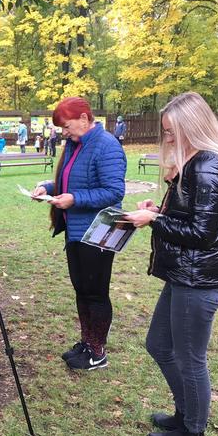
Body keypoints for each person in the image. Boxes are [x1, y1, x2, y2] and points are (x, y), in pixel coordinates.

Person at [123, 92, 218, 436]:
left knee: (190, 358)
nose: (168, 139)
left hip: (197, 281)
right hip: (184, 276)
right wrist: (159, 210)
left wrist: (155, 220)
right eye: (166, 132)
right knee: (158, 344)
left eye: (172, 132)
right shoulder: (195, 164)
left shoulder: (208, 166)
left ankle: (193, 435)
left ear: (192, 126)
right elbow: (191, 218)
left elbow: (202, 234)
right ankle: (185, 412)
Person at [31, 97, 126, 371]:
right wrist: (49, 189)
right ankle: (87, 342)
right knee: (82, 290)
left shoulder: (107, 146)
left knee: (95, 293)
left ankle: (97, 352)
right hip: (75, 231)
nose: (64, 132)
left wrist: (75, 199)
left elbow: (113, 192)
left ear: (84, 119)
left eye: (67, 126)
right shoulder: (75, 145)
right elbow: (70, 181)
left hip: (98, 232)